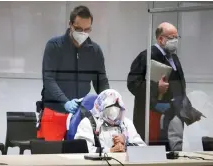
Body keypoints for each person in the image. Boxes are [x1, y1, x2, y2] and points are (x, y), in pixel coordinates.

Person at [38, 5, 110, 141]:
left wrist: (109, 101)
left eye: (87, 29)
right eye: (78, 29)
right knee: (50, 158)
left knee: (79, 156)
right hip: (54, 112)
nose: (83, 33)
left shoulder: (95, 51)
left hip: (80, 116)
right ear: (70, 25)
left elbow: (101, 82)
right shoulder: (54, 46)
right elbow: (48, 79)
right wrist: (65, 102)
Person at [127, 22, 189, 151]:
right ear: (161, 39)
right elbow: (132, 84)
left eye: (177, 37)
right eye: (172, 38)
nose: (175, 41)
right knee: (152, 152)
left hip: (172, 113)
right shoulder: (146, 56)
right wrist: (155, 87)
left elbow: (179, 82)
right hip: (151, 115)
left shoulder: (174, 58)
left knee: (171, 151)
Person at [75, 89, 146, 153]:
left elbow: (143, 149)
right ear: (100, 106)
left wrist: (126, 142)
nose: (114, 110)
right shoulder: (88, 123)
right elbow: (81, 150)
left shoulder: (126, 123)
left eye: (117, 107)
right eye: (109, 107)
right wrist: (109, 151)